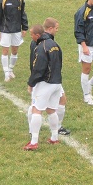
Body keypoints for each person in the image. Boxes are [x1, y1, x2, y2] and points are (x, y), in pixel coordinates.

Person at [25, 18, 63, 151]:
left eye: (31, 35)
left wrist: (31, 83)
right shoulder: (55, 44)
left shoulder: (41, 47)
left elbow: (38, 68)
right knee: (51, 110)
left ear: (37, 35)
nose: (31, 37)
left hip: (45, 83)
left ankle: (34, 142)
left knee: (36, 109)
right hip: (57, 83)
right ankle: (54, 138)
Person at [0, 0, 28, 81]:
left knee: (15, 50)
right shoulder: (1, 0)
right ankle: (6, 73)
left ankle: (11, 69)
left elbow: (23, 13)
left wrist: (24, 27)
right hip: (5, 30)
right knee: (5, 51)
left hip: (16, 29)